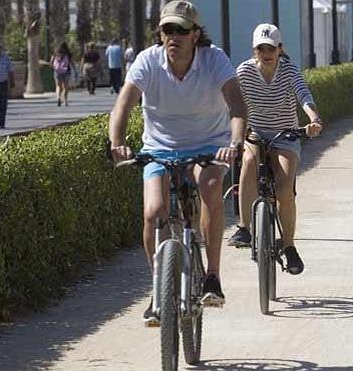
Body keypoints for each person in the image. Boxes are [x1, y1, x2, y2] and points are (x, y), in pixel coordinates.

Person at [109, 0, 247, 325]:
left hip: (209, 146)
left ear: (195, 34)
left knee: (211, 187)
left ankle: (212, 276)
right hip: (159, 148)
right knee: (154, 211)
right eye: (167, 29)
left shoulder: (214, 60)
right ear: (160, 33)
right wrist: (117, 143)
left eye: (181, 30)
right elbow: (122, 106)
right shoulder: (147, 61)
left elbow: (238, 106)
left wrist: (234, 143)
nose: (174, 36)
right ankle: (159, 288)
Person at [228, 23, 323, 275]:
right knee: (248, 163)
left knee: (284, 186)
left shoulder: (289, 69)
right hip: (256, 133)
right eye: (261, 48)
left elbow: (303, 94)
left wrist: (313, 119)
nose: (266, 53)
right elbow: (234, 103)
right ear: (254, 50)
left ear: (280, 49)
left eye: (271, 48)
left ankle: (289, 246)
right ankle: (244, 228)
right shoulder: (245, 72)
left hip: (286, 135)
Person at [51, 42, 73, 106]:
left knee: (58, 86)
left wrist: (55, 68)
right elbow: (71, 63)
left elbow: (51, 62)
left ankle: (58, 98)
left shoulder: (55, 53)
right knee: (65, 87)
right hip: (67, 71)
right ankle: (65, 101)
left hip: (57, 71)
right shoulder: (68, 54)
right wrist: (75, 70)